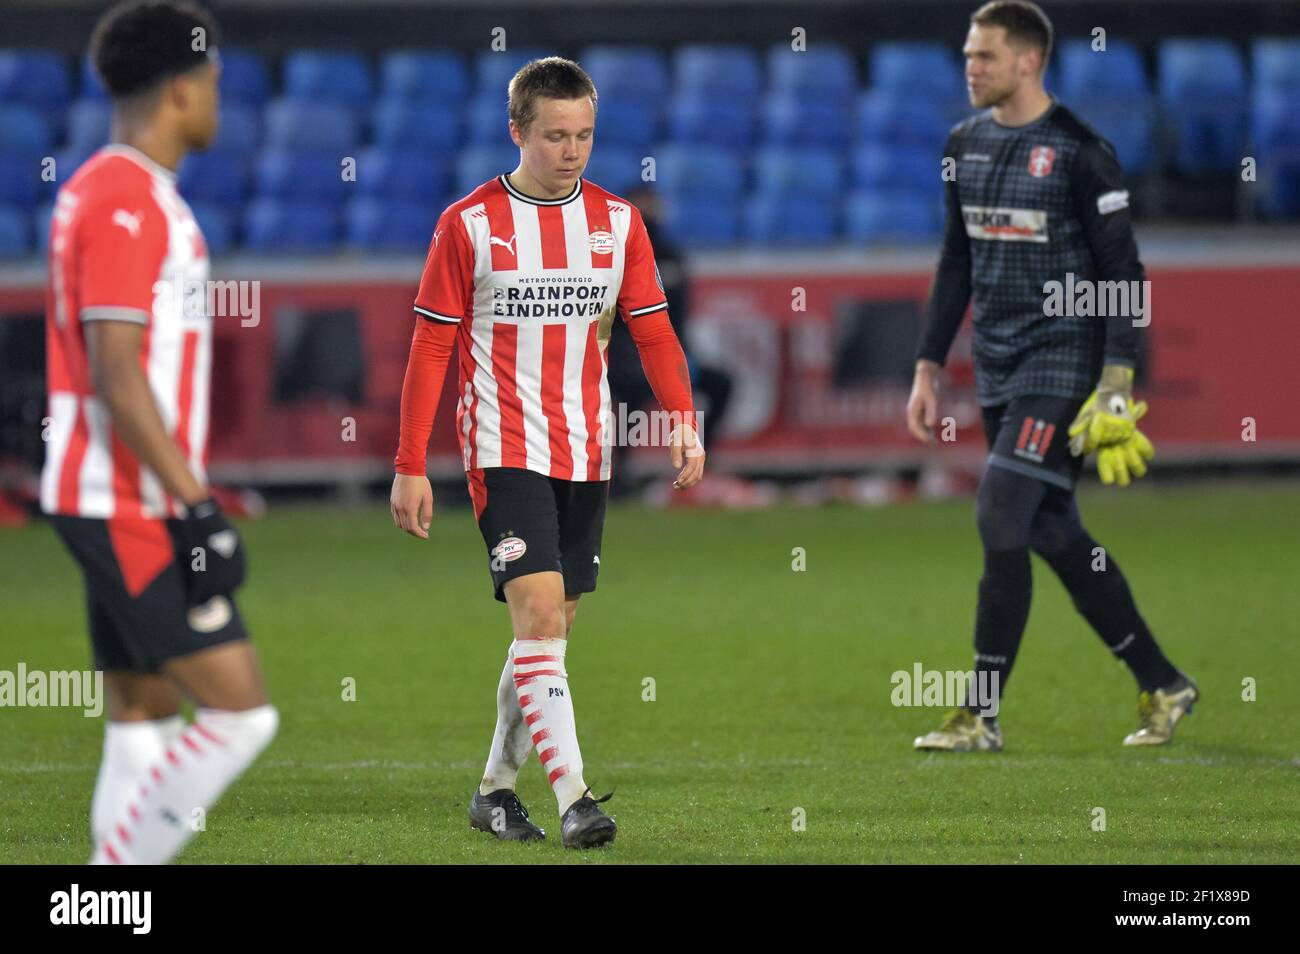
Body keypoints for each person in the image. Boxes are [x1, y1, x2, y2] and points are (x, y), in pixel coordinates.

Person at [390, 57, 703, 848]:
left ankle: (495, 791)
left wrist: (681, 418)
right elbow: (430, 346)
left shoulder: (618, 222)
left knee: (550, 629)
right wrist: (407, 464)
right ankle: (574, 800)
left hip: (588, 445)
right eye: (556, 135)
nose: (573, 151)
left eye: (586, 135)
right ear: (517, 132)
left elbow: (654, 328)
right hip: (502, 441)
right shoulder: (468, 223)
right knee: (537, 613)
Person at [907, 1, 1195, 752]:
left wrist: (1117, 378)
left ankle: (980, 713)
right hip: (998, 364)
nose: (970, 67)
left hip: (1064, 359)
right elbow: (956, 260)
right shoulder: (963, 144)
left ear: (1029, 61)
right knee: (1052, 532)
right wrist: (928, 363)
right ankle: (1163, 681)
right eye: (968, 55)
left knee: (998, 513)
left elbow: (1122, 272)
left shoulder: (1079, 150)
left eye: (986, 56)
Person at [42, 0, 277, 863]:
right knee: (240, 712)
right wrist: (197, 506)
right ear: (182, 90)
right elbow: (116, 370)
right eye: (215, 83)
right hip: (123, 496)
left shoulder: (120, 192)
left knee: (141, 714)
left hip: (105, 489)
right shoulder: (124, 200)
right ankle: (105, 892)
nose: (222, 101)